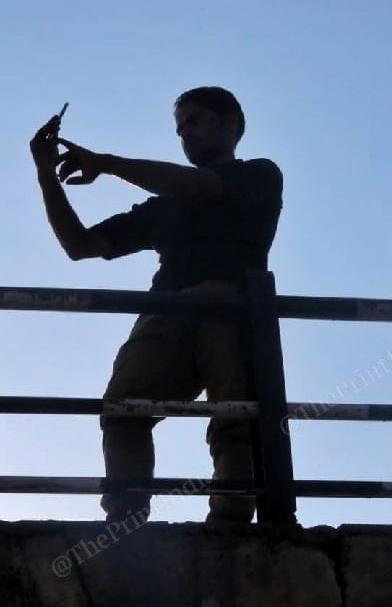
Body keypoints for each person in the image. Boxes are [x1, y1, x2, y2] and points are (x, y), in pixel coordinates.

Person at [29, 87, 283, 524]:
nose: (186, 134)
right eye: (180, 128)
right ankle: (126, 515)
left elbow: (199, 185)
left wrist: (105, 163)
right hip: (165, 312)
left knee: (234, 417)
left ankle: (233, 517)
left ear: (231, 123)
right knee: (123, 407)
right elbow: (81, 244)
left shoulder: (259, 175)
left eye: (195, 121)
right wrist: (46, 175)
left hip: (230, 305)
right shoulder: (164, 207)